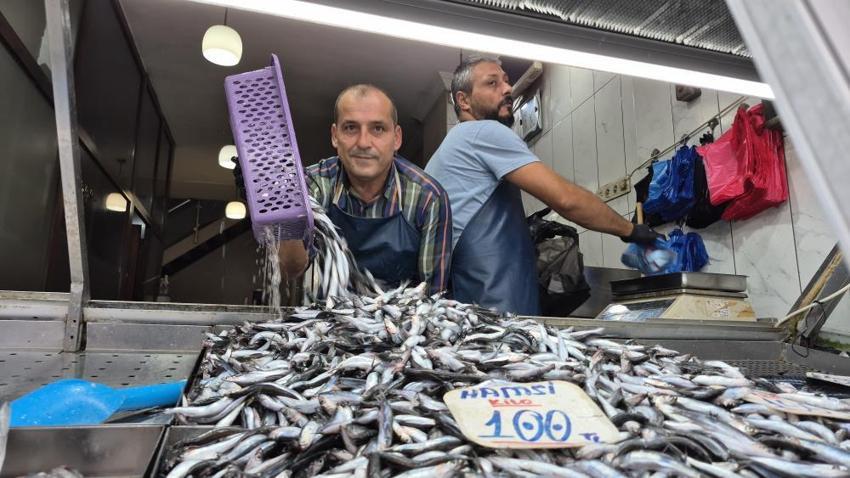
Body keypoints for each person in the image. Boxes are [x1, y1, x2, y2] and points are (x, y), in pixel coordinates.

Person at [425, 57, 661, 315]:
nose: (507, 89)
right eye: (491, 83)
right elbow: (566, 199)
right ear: (463, 101)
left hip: (469, 306)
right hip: (496, 306)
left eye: (505, 81)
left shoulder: (450, 147)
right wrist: (631, 230)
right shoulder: (481, 132)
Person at [275, 84, 452, 294]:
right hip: (328, 319)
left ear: (396, 138)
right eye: (351, 127)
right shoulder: (310, 186)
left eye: (377, 128)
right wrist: (283, 204)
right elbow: (292, 269)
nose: (363, 142)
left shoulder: (428, 197)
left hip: (401, 322)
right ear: (335, 135)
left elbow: (432, 296)